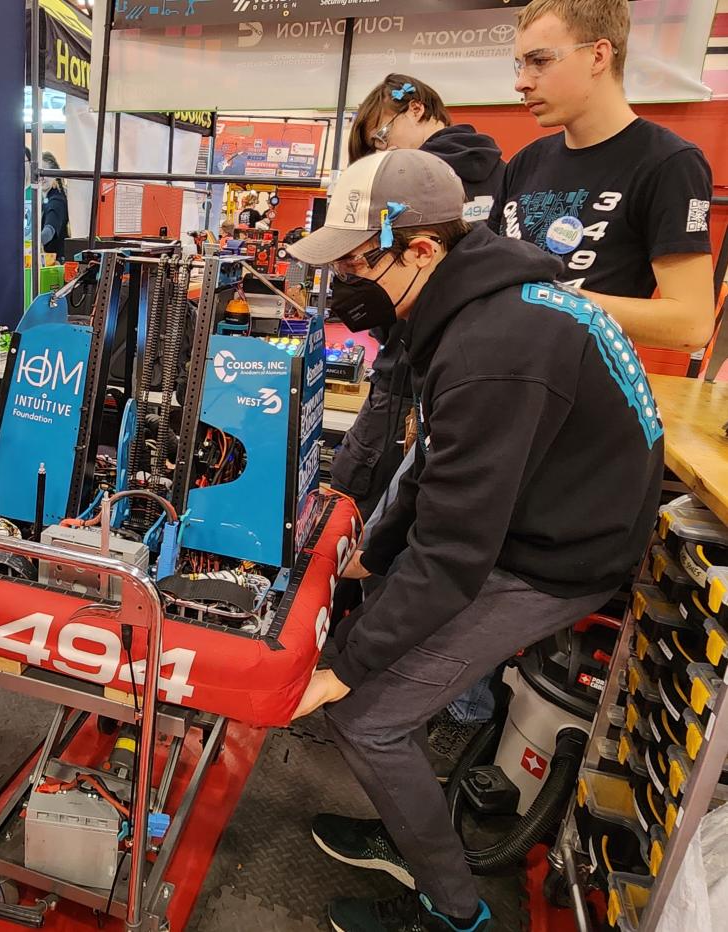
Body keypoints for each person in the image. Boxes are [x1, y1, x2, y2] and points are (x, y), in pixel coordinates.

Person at [286, 148, 662, 932]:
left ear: (422, 248)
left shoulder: (497, 346)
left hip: (558, 559)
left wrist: (341, 668)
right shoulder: (474, 305)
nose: (346, 282)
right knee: (386, 630)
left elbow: (456, 552)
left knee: (365, 717)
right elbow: (438, 460)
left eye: (359, 262)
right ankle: (408, 824)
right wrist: (377, 552)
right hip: (533, 517)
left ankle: (453, 913)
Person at [494, 0, 714, 358]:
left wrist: (553, 299)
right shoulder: (525, 161)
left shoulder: (668, 163)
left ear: (598, 56)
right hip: (499, 381)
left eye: (540, 61)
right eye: (519, 65)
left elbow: (691, 325)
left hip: (583, 393)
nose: (521, 82)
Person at [337, 74, 506, 521]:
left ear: (415, 109)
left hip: (405, 372)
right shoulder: (504, 176)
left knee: (354, 510)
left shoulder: (411, 183)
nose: (382, 153)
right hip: (454, 376)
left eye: (380, 136)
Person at [39, 152, 70, 263]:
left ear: (54, 174)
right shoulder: (48, 199)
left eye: (43, 172)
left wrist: (29, 244)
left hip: (57, 262)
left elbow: (48, 232)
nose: (40, 177)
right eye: (38, 173)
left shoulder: (56, 201)